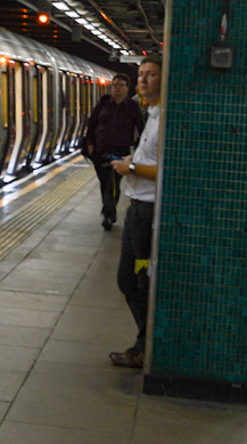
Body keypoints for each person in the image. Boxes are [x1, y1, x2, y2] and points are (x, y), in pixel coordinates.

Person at [108, 55, 163, 369]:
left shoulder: (164, 118)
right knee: (128, 278)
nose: (144, 80)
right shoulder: (152, 115)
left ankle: (146, 346)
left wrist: (132, 167)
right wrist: (133, 163)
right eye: (141, 74)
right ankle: (144, 341)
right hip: (137, 210)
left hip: (149, 215)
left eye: (152, 75)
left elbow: (169, 168)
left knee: (140, 277)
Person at [84, 73, 145, 230]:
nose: (117, 89)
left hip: (120, 152)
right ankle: (109, 210)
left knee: (113, 182)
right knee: (104, 182)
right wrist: (90, 142)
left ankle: (108, 215)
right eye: (114, 85)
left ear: (127, 88)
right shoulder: (104, 102)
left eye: (120, 86)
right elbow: (92, 122)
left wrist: (140, 149)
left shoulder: (132, 106)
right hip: (100, 150)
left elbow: (140, 127)